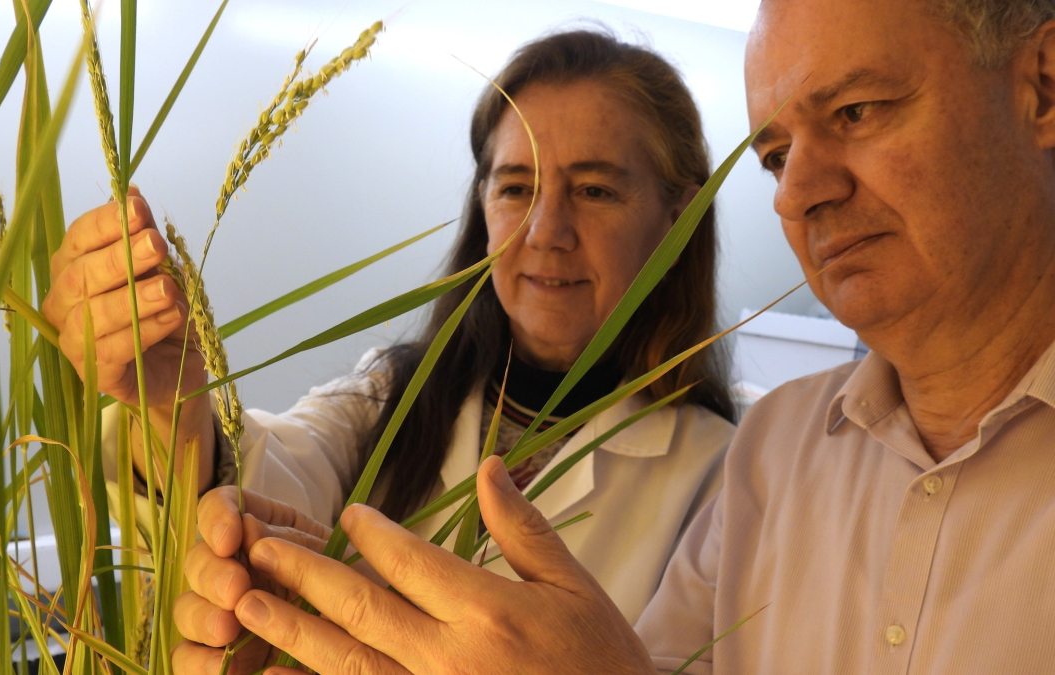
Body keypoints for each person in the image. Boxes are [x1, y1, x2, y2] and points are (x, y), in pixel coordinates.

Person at [172, 0, 1055, 673]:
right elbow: (260, 461)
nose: (797, 193)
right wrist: (175, 409)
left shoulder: (727, 458)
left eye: (858, 111)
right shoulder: (784, 454)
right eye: (777, 155)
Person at [42, 30, 740, 672]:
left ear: (675, 218)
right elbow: (271, 472)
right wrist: (174, 398)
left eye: (594, 190)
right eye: (517, 187)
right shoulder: (391, 399)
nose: (546, 230)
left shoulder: (727, 476)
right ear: (482, 202)